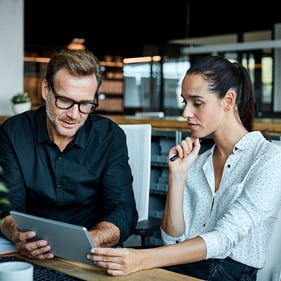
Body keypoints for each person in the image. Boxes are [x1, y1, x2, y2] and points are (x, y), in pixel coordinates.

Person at [87, 55, 281, 281]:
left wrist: (141, 259)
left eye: (197, 103)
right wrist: (177, 176)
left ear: (228, 100)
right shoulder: (198, 161)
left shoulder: (270, 158)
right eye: (184, 102)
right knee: (101, 271)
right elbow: (171, 239)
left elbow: (225, 238)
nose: (186, 113)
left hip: (231, 273)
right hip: (190, 264)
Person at [0, 49, 138, 259]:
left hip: (92, 254)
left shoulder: (110, 137)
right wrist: (17, 234)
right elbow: (7, 204)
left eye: (85, 104)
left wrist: (88, 241)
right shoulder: (12, 133)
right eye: (64, 100)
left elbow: (123, 210)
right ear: (46, 89)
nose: (74, 115)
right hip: (28, 253)